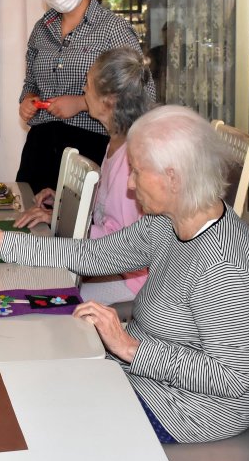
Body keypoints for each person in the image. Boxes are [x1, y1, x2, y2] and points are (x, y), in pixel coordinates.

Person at [0, 106, 249, 443]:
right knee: (28, 383)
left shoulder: (223, 266)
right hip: (143, 376)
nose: (130, 183)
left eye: (137, 171)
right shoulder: (169, 221)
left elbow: (230, 377)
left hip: (189, 409)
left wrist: (128, 347)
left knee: (39, 415)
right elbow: (92, 255)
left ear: (173, 178)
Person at [16, 0, 153, 194]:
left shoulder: (113, 30)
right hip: (39, 150)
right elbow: (30, 82)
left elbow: (142, 96)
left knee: (76, 222)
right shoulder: (41, 29)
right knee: (28, 216)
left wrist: (81, 103)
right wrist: (28, 100)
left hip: (90, 151)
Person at [16, 47, 155, 304]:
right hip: (112, 266)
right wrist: (61, 205)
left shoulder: (131, 158)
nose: (83, 89)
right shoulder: (116, 141)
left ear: (108, 100)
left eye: (88, 84)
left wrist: (58, 219)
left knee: (53, 299)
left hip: (132, 280)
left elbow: (121, 244)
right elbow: (104, 210)